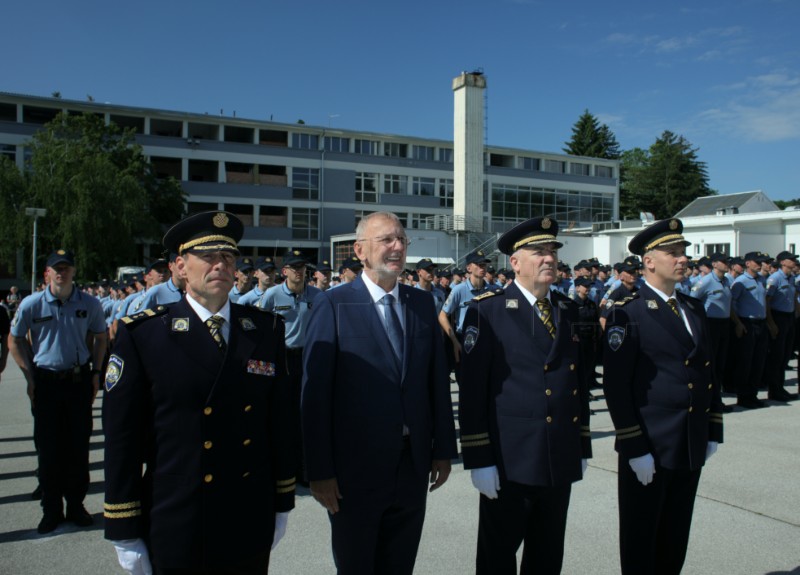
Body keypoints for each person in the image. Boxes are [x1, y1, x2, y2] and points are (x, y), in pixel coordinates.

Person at [103, 211, 296, 574]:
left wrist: (282, 498)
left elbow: (280, 421)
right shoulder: (144, 334)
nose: (220, 264)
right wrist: (123, 526)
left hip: (247, 511)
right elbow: (122, 438)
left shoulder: (265, 330)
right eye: (207, 256)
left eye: (228, 257)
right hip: (178, 515)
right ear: (180, 265)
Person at [302, 211, 457, 575]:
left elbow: (436, 382)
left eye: (402, 240)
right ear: (360, 250)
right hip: (354, 471)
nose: (397, 247)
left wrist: (443, 449)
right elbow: (315, 396)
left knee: (399, 565)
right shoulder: (333, 304)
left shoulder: (421, 304)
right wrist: (319, 471)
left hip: (410, 466)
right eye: (386, 240)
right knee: (357, 566)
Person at [459, 217, 592, 574]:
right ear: (515, 262)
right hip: (509, 461)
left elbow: (576, 385)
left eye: (552, 251)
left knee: (548, 556)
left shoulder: (567, 309)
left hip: (558, 456)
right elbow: (473, 391)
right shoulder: (486, 310)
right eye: (538, 251)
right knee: (497, 557)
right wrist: (478, 458)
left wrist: (582, 445)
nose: (549, 258)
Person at [603, 218, 723, 575]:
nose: (683, 259)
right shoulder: (628, 312)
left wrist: (712, 428)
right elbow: (616, 386)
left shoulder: (692, 308)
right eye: (673, 253)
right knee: (642, 539)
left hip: (689, 440)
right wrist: (633, 445)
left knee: (675, 536)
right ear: (649, 261)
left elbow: (707, 371)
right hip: (650, 445)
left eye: (683, 252)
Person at [8, 250, 107, 534]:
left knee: (78, 447)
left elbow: (101, 338)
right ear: (47, 274)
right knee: (49, 449)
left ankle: (76, 505)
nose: (61, 273)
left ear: (74, 272)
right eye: (56, 269)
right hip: (47, 383)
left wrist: (96, 373)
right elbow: (15, 340)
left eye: (66, 269)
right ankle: (51, 509)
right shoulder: (32, 304)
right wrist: (29, 376)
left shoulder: (89, 303)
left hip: (78, 382)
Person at [258, 250, 322, 484]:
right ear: (284, 271)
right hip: (283, 358)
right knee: (284, 413)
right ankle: (284, 467)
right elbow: (261, 328)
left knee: (306, 413)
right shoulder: (272, 296)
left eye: (302, 267)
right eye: (294, 267)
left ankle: (305, 467)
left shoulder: (317, 295)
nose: (299, 271)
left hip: (308, 357)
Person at [689, 253, 742, 406]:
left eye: (728, 262)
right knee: (710, 363)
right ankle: (709, 400)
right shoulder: (705, 282)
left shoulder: (727, 281)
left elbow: (728, 304)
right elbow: (693, 303)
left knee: (720, 363)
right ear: (714, 264)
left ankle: (716, 398)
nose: (727, 264)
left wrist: (737, 323)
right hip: (710, 325)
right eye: (724, 262)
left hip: (724, 324)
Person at [731, 252, 771, 409]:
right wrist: (738, 324)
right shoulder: (740, 282)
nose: (759, 264)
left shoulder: (761, 279)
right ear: (747, 263)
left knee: (758, 361)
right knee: (746, 362)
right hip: (747, 322)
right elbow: (732, 304)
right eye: (756, 262)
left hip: (761, 323)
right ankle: (743, 397)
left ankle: (752, 395)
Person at [439, 250, 492, 369]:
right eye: (478, 264)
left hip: (487, 340)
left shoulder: (493, 290)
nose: (482, 267)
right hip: (465, 340)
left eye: (484, 264)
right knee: (465, 382)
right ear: (469, 268)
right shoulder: (459, 290)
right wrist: (454, 341)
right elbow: (442, 316)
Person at [763, 250, 799, 401]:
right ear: (783, 262)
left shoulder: (791, 279)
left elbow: (794, 298)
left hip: (789, 317)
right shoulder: (775, 279)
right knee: (777, 356)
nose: (794, 262)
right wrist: (771, 323)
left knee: (785, 355)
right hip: (778, 317)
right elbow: (767, 302)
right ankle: (774, 390)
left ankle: (780, 387)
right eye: (791, 260)